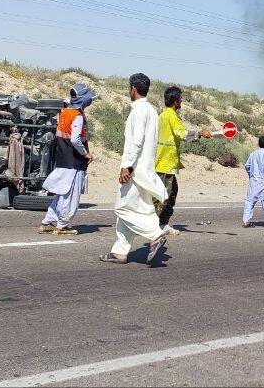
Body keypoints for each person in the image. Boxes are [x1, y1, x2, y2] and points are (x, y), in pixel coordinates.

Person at [101, 73, 168, 265]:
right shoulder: (152, 111)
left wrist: (127, 166)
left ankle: (155, 235)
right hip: (145, 169)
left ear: (133, 89)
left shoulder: (139, 111)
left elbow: (136, 142)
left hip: (135, 170)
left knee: (122, 208)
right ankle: (119, 252)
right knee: (136, 209)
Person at [39, 82, 96, 236]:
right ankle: (62, 225)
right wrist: (86, 154)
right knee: (71, 196)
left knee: (61, 194)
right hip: (73, 162)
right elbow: (76, 139)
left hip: (63, 160)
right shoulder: (77, 116)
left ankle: (47, 222)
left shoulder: (64, 112)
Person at [155, 86, 212, 236]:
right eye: (180, 98)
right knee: (163, 196)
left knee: (171, 192)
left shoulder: (163, 115)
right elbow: (181, 133)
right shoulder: (171, 115)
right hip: (165, 163)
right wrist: (199, 133)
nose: (182, 100)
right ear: (175, 100)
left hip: (165, 162)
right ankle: (153, 227)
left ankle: (162, 224)